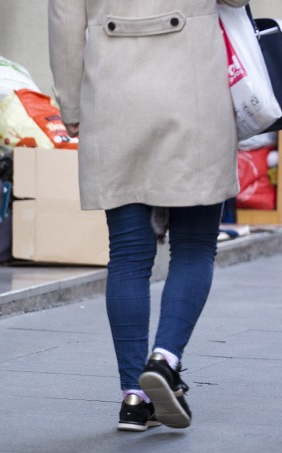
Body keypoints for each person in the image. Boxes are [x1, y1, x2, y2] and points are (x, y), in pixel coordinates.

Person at [47, 0, 250, 431]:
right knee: (194, 247)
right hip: (195, 89)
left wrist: (71, 104)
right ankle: (165, 359)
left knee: (128, 253)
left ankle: (134, 398)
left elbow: (64, 16)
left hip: (112, 92)